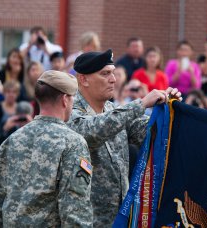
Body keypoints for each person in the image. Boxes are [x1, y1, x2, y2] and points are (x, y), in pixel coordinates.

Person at [67, 49, 181, 226]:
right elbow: (93, 130)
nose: (113, 79)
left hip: (121, 218)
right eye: (105, 74)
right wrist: (142, 103)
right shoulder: (70, 112)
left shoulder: (114, 111)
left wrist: (169, 112)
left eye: (113, 73)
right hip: (87, 221)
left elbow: (148, 132)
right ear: (83, 79)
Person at [0, 70, 93, 227]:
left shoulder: (12, 140)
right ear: (65, 99)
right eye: (72, 98)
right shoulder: (73, 143)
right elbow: (75, 209)